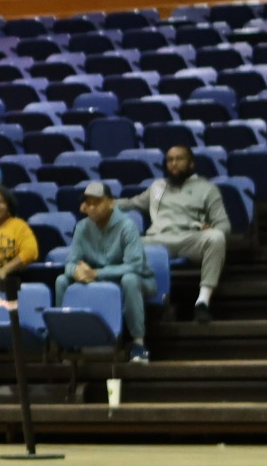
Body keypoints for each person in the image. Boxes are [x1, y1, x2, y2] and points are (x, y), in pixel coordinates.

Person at [118, 145, 231, 322]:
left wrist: (215, 229)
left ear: (191, 163)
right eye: (170, 160)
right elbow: (131, 204)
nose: (174, 163)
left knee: (216, 238)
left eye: (179, 159)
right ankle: (135, 306)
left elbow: (223, 224)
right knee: (123, 244)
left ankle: (202, 302)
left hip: (188, 239)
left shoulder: (207, 188)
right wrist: (104, 203)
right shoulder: (157, 187)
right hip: (157, 240)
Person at [58, 181, 155, 362]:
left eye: (98, 202)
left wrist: (95, 273)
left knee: (130, 279)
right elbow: (69, 263)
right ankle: (68, 344)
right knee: (62, 280)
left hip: (135, 279)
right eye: (88, 203)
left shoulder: (127, 226)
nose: (92, 207)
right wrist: (76, 272)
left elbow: (135, 265)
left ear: (111, 202)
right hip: (98, 278)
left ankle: (139, 343)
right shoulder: (82, 227)